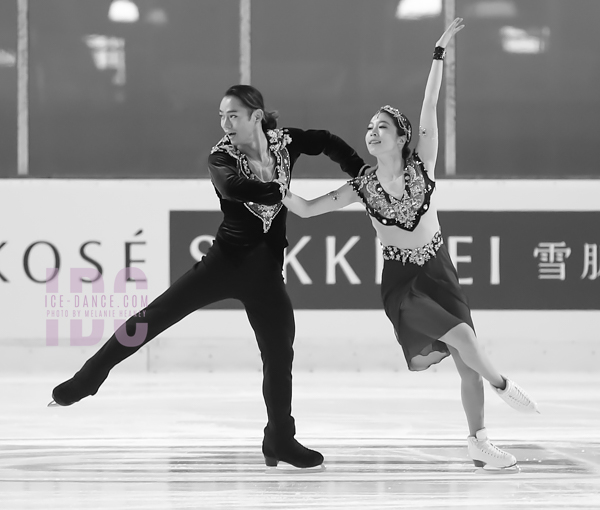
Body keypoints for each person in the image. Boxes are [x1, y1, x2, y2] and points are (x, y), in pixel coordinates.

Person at [49, 84, 367, 469]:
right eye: (221, 116)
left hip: (266, 272)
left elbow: (327, 142)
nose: (225, 123)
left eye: (232, 115)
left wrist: (359, 171)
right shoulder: (221, 156)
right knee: (149, 320)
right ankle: (85, 381)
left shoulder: (285, 142)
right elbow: (232, 188)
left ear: (255, 115)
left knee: (280, 355)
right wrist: (277, 192)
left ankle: (280, 439)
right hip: (223, 264)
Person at [281, 18, 539, 470]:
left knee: (465, 359)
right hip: (403, 281)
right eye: (368, 127)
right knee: (462, 338)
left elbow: (429, 103)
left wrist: (438, 55)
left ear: (402, 137)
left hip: (439, 268)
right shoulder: (361, 185)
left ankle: (479, 441)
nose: (372, 132)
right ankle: (503, 386)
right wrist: (269, 184)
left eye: (382, 127)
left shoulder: (424, 164)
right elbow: (305, 209)